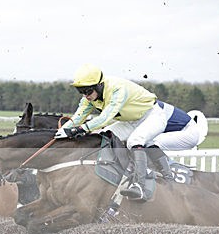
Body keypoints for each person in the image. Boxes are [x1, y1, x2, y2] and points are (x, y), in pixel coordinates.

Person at [56, 64, 199, 201]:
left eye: (88, 91)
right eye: (81, 92)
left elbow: (106, 117)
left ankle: (141, 185)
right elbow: (77, 117)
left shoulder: (117, 89)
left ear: (99, 85)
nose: (85, 96)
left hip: (152, 116)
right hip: (131, 120)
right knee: (104, 136)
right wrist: (60, 132)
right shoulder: (89, 98)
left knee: (134, 141)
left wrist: (81, 129)